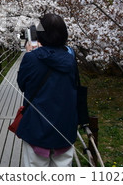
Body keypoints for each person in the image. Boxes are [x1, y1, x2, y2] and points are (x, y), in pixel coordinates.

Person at [16, 13, 78, 167]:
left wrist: (30, 53)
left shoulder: (31, 58)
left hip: (36, 127)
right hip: (64, 127)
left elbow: (23, 85)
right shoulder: (70, 58)